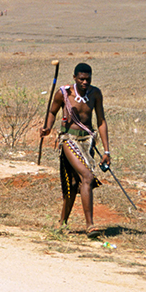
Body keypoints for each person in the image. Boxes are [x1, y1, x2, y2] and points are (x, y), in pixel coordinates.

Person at [40, 62, 110, 236]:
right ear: (75, 78)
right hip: (68, 140)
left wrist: (107, 151)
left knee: (72, 183)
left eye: (88, 79)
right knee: (87, 176)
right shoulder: (64, 93)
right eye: (81, 79)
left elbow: (101, 121)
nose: (85, 82)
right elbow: (52, 111)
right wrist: (47, 128)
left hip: (87, 141)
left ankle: (62, 223)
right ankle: (90, 225)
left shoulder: (96, 94)